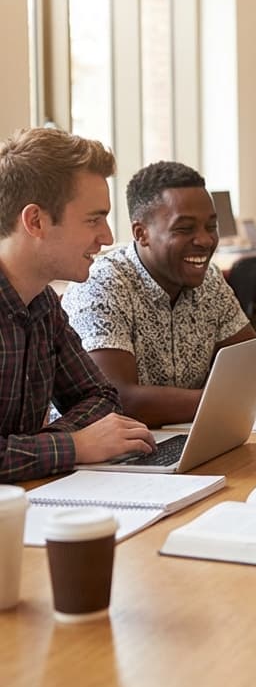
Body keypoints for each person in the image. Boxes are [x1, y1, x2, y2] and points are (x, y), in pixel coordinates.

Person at [63, 161, 256, 427]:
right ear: (141, 234)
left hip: (184, 439)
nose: (205, 240)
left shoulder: (209, 280)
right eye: (184, 229)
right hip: (107, 450)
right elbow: (118, 400)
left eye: (211, 226)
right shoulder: (102, 283)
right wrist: (245, 399)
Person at [0, 127, 156, 481]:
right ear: (36, 221)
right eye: (93, 219)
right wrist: (74, 445)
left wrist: (48, 445)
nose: (108, 236)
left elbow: (101, 397)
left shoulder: (43, 303)